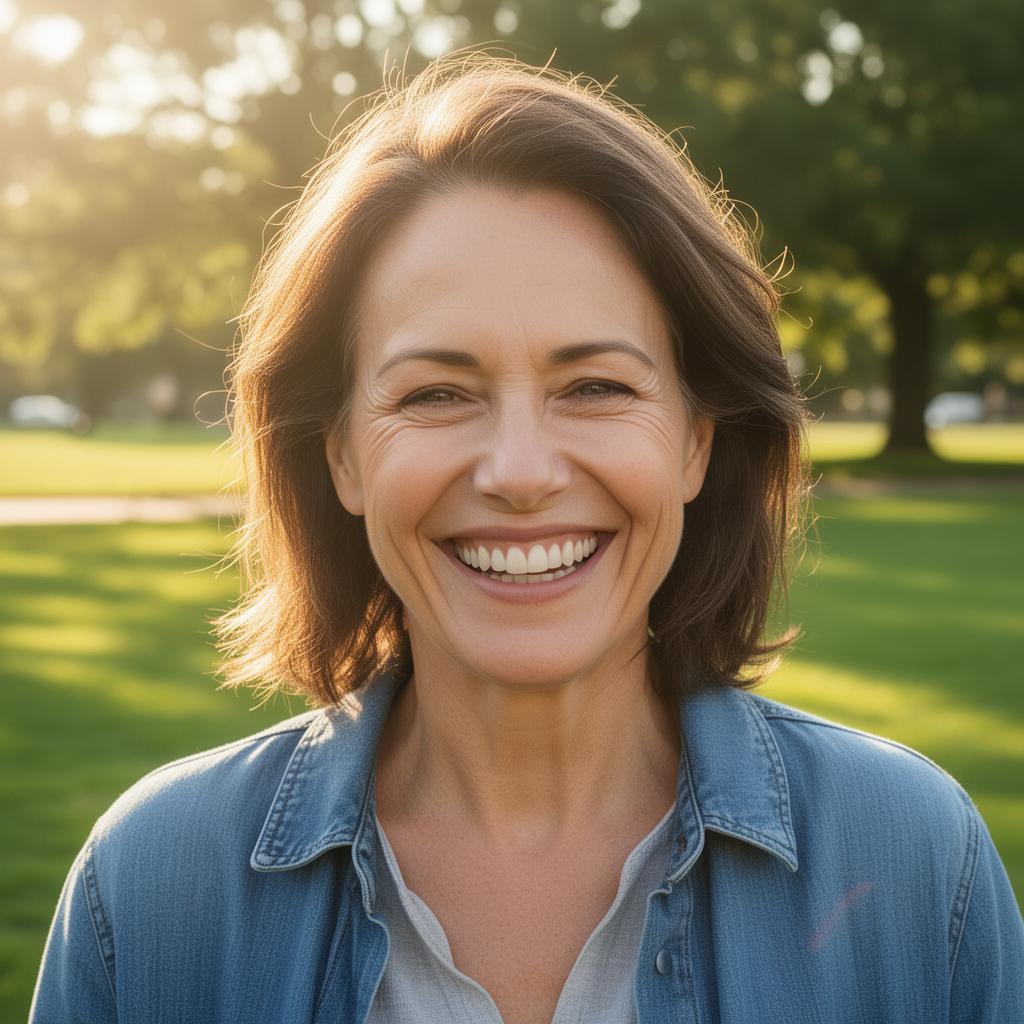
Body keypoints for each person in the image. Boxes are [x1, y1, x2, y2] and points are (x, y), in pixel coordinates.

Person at [31, 51, 1023, 1024]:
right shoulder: (150, 894)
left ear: (695, 442)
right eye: (435, 394)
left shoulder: (914, 862)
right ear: (341, 456)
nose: (519, 471)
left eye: (594, 386)